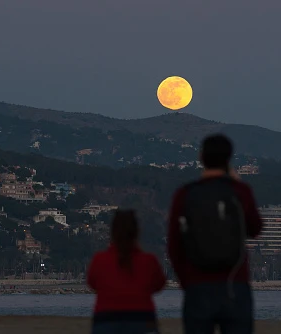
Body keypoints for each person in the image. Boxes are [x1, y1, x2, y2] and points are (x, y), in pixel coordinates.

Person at [167, 134, 263, 334]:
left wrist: (187, 281)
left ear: (201, 157)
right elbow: (255, 228)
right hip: (234, 284)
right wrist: (237, 183)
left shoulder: (185, 194)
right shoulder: (240, 191)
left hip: (197, 285)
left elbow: (174, 245)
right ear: (229, 159)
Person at [87, 210, 166, 334]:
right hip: (142, 319)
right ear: (136, 232)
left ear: (112, 232)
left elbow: (92, 283)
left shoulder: (99, 260)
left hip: (106, 319)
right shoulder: (149, 261)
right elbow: (159, 284)